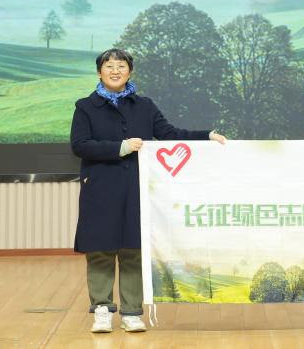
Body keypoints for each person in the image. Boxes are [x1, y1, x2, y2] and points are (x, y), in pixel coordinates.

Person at [70, 48, 226, 334]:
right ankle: (102, 310)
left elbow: (170, 135)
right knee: (101, 250)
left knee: (133, 250)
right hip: (100, 188)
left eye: (121, 66)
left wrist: (206, 136)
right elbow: (80, 145)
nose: (115, 71)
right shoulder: (85, 107)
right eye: (109, 66)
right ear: (99, 72)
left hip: (137, 187)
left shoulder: (144, 105)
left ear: (130, 71)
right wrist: (120, 147)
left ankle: (131, 312)